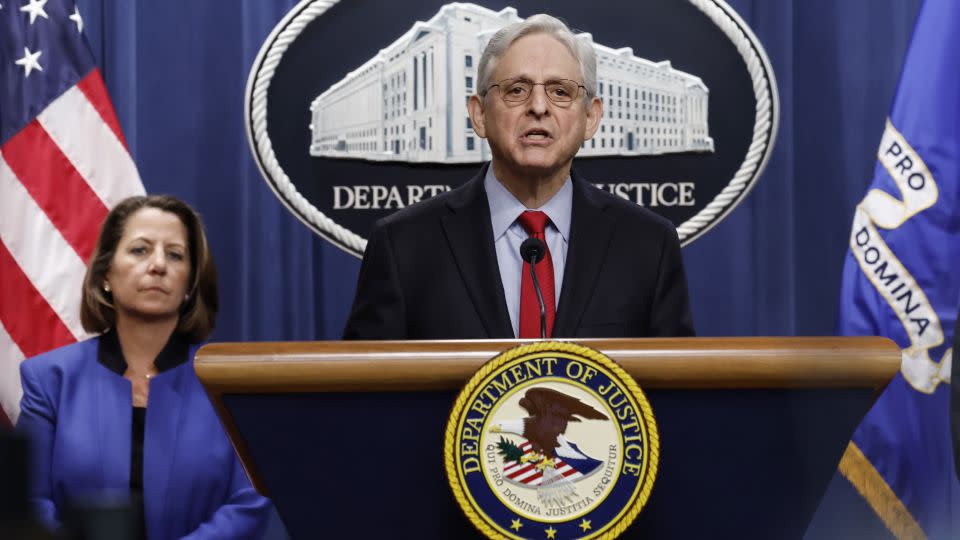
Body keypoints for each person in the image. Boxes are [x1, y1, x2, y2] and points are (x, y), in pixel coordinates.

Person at [343, 14, 694, 340]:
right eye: (516, 90)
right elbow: (367, 397)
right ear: (479, 114)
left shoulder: (648, 245)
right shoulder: (403, 245)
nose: (538, 107)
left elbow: (674, 396)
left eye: (560, 91)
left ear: (590, 117)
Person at [16, 195, 270, 539]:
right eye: (140, 250)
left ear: (189, 284)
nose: (158, 265)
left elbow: (248, 502)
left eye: (175, 255)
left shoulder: (227, 381)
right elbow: (30, 502)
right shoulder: (50, 381)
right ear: (106, 272)